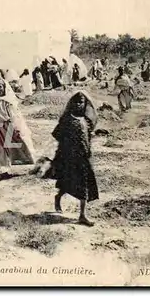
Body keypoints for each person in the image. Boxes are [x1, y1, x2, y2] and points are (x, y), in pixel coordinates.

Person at [51, 91, 99, 227]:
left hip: (84, 158)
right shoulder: (66, 119)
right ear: (72, 103)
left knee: (84, 184)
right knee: (67, 182)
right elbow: (57, 135)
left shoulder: (87, 120)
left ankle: (82, 215)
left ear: (85, 104)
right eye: (76, 102)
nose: (78, 105)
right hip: (69, 157)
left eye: (81, 102)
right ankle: (58, 197)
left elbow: (89, 138)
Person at [0, 77, 36, 185]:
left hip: (7, 127)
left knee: (10, 150)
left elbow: (15, 117)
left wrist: (17, 129)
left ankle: (7, 169)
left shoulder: (9, 102)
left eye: (0, 87)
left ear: (4, 88)